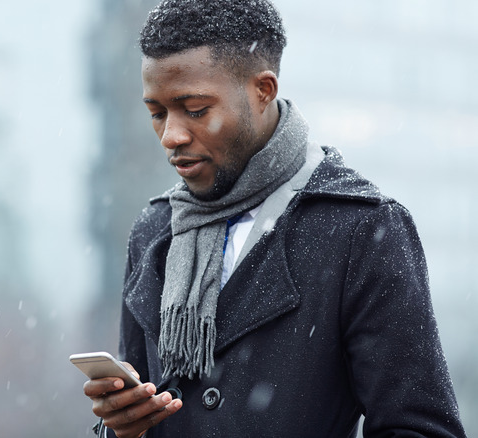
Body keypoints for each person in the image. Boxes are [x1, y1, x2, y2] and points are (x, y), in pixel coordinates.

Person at [81, 0, 467, 437]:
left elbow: (418, 428)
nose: (171, 135)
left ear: (263, 90)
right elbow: (139, 406)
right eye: (157, 113)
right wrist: (121, 429)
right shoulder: (154, 231)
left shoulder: (362, 229)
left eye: (196, 109)